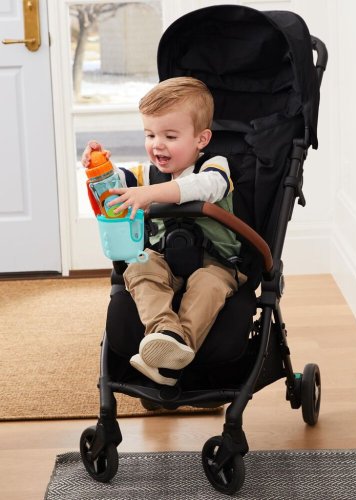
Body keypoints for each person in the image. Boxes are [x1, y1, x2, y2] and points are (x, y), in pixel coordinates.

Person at [82, 77, 246, 386]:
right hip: (162, 259)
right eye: (150, 134)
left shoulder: (214, 168)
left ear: (201, 139)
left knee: (207, 286)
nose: (157, 144)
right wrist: (99, 170)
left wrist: (150, 194)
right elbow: (114, 192)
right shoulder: (146, 174)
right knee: (139, 268)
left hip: (216, 264)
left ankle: (173, 358)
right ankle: (166, 333)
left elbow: (203, 187)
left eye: (170, 136)